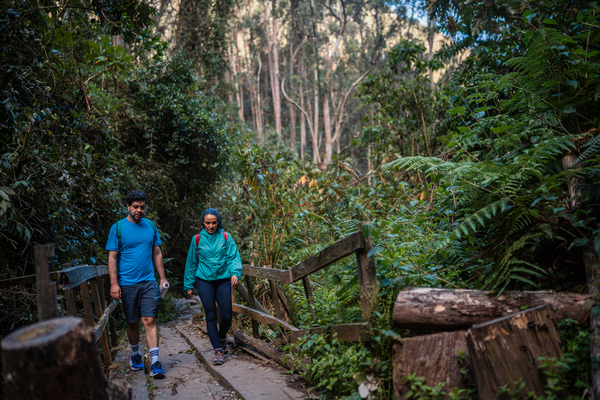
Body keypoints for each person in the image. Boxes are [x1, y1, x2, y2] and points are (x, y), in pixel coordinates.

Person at [106, 190, 168, 379]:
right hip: (127, 283)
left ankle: (155, 361)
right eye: (135, 207)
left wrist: (162, 277)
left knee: (149, 320)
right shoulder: (118, 228)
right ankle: (135, 354)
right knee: (132, 322)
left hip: (148, 281)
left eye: (142, 207)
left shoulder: (151, 226)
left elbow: (156, 253)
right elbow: (112, 257)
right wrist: (114, 284)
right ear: (128, 207)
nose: (139, 210)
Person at [184, 208, 242, 365]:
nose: (210, 226)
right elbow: (191, 263)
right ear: (203, 222)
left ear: (218, 222)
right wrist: (189, 284)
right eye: (207, 223)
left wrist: (235, 273)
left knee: (227, 316)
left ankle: (222, 336)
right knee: (210, 315)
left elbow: (233, 257)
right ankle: (218, 351)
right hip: (204, 280)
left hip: (223, 279)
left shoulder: (225, 237)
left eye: (214, 223)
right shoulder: (197, 239)